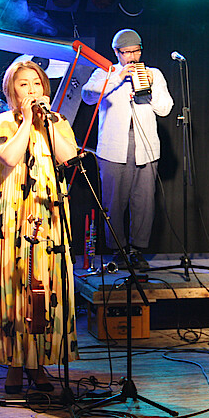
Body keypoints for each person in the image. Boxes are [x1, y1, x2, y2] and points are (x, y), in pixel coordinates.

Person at [0, 60, 80, 393]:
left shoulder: (56, 122)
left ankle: (38, 363)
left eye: (36, 83)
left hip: (48, 216)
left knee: (43, 289)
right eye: (23, 84)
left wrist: (46, 123)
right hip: (12, 218)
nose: (31, 89)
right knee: (13, 286)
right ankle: (14, 363)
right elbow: (9, 157)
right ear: (11, 90)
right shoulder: (1, 122)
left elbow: (68, 157)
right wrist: (25, 122)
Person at [81, 29, 173, 270]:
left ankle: (137, 250)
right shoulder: (104, 72)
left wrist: (150, 89)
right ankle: (118, 250)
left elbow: (165, 109)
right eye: (127, 52)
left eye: (136, 51)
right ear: (116, 52)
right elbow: (88, 96)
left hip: (146, 147)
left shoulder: (153, 74)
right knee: (113, 202)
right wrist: (116, 78)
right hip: (113, 148)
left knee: (144, 201)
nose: (132, 57)